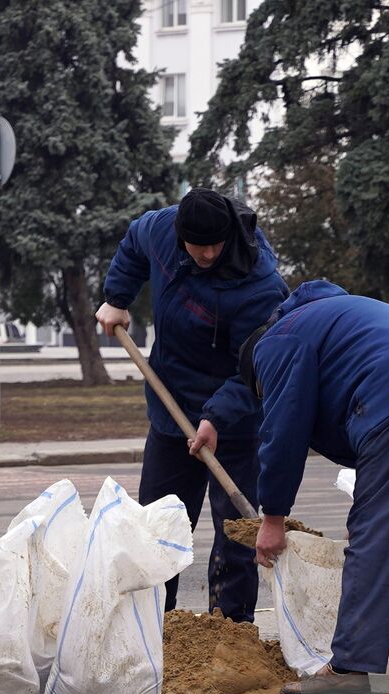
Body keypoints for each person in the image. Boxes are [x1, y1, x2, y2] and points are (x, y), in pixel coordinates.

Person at [240, 280, 389, 694]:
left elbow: (283, 433)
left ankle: (351, 666)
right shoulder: (340, 317)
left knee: (375, 537)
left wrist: (273, 517)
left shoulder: (277, 341)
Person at [96, 188, 287, 622]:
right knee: (156, 528)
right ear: (180, 235)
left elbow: (256, 369)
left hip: (236, 419)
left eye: (215, 245)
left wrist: (215, 417)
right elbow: (133, 241)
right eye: (197, 245)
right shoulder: (162, 229)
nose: (206, 253)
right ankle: (151, 627)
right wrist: (117, 297)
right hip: (171, 406)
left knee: (235, 535)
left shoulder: (260, 286)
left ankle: (231, 631)